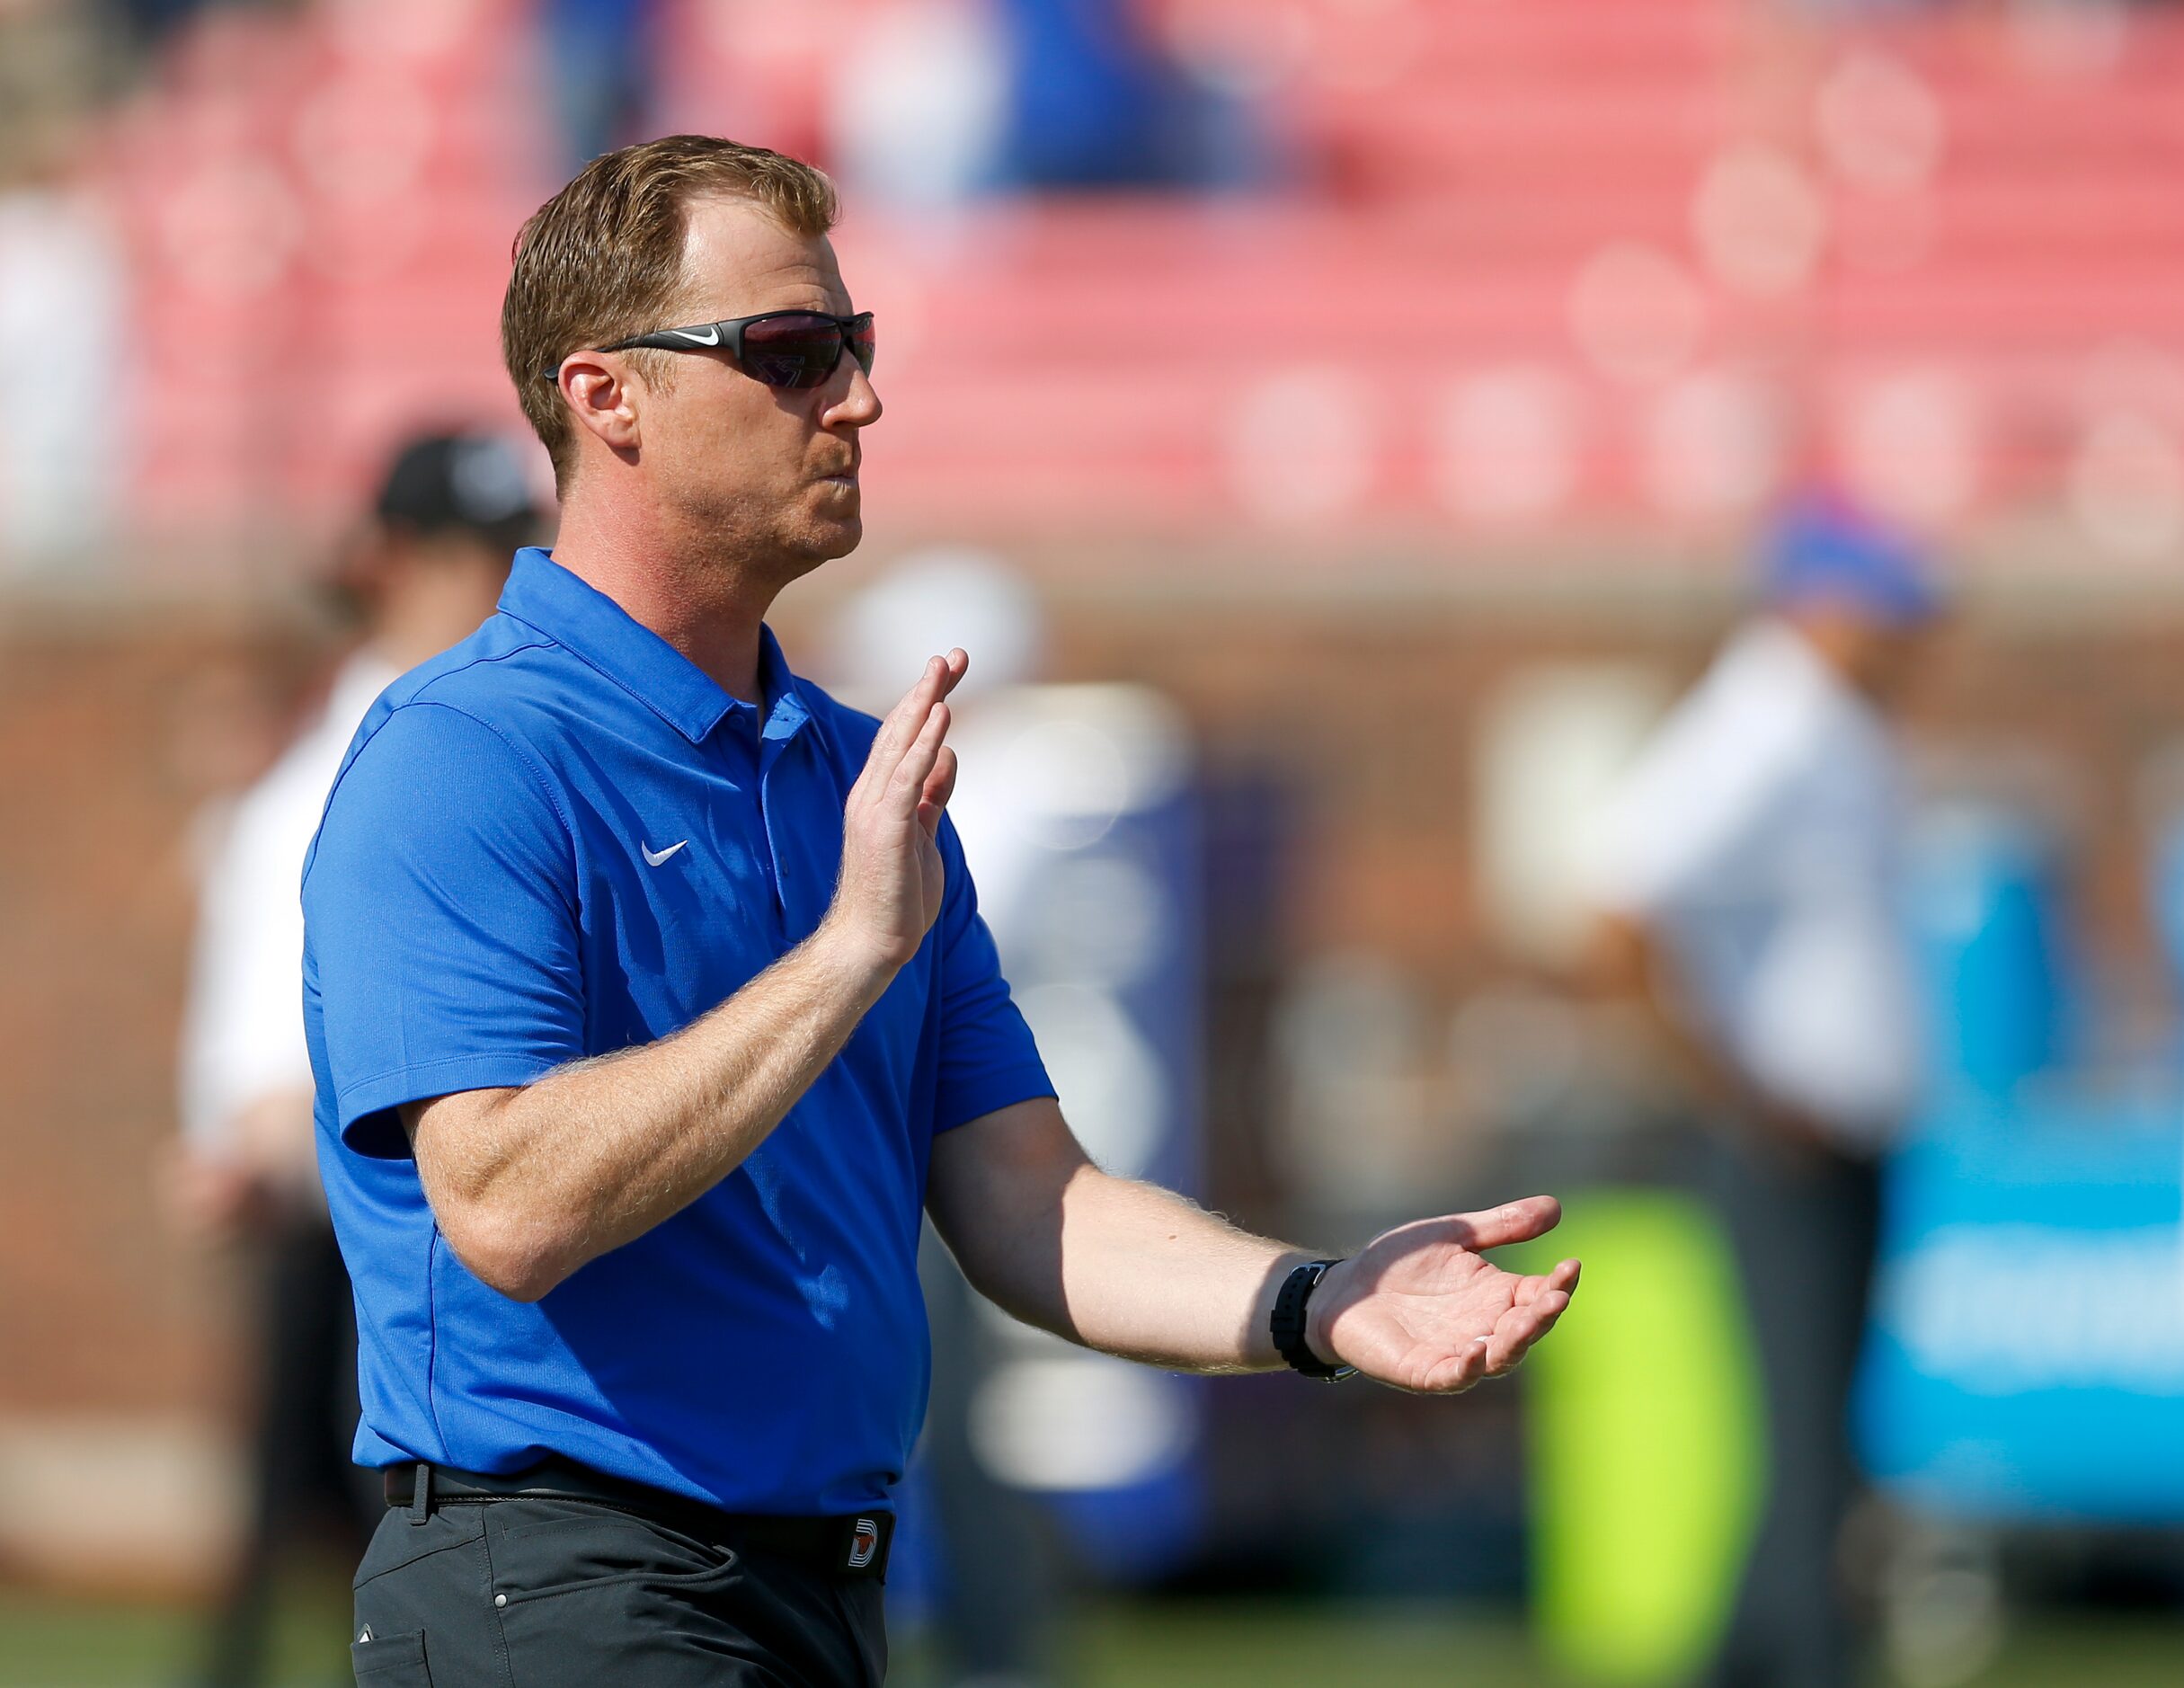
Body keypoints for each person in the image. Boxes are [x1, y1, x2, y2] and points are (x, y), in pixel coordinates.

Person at [305, 135, 1579, 1686]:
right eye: (786, 351)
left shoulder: (849, 770)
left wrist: (1315, 1302)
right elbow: (505, 1205)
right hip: (560, 1587)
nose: (855, 396)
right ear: (605, 397)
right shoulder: (467, 754)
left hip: (818, 1588)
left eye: (854, 344)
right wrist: (846, 953)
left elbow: (1024, 1198)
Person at [171, 429, 545, 1688]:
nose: (483, 580)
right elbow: (263, 1059)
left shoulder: (538, 733)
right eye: (456, 552)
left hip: (500, 1200)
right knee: (344, 1521)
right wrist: (254, 1139)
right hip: (371, 1203)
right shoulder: (323, 781)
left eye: (503, 550)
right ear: (388, 559)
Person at [1581, 497, 1940, 1688]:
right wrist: (1737, 1090)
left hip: (1834, 1131)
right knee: (1802, 1441)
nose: (1903, 636)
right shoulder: (1762, 725)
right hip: (1787, 1141)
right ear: (1812, 601)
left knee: (1818, 1442)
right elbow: (1623, 903)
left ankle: (1751, 1660)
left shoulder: (1827, 724)